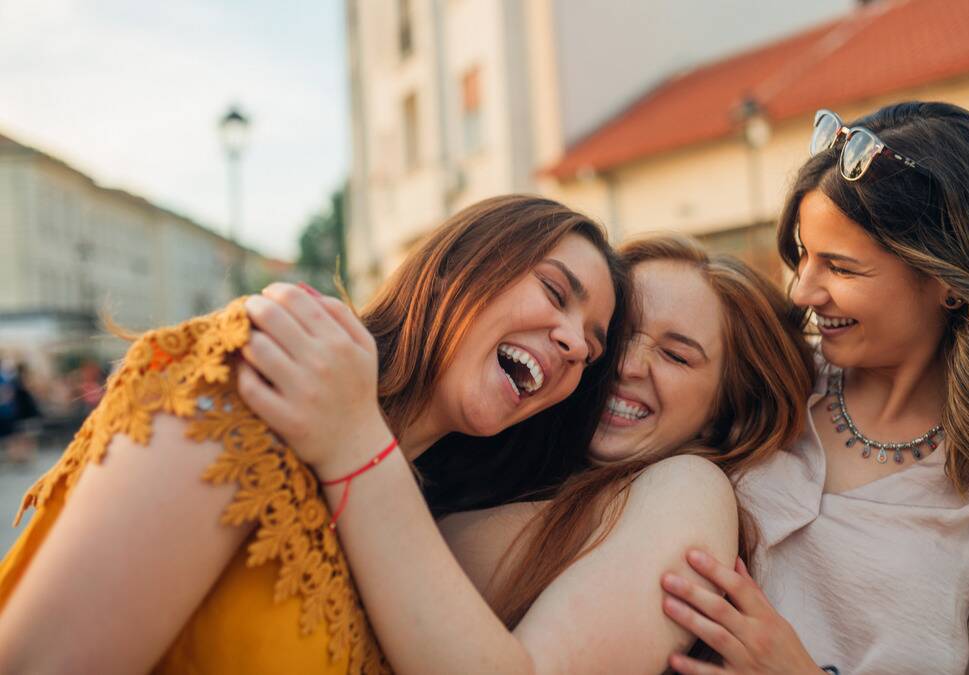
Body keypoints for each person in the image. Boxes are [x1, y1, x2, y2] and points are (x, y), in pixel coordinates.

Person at [0, 195, 629, 674]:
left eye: (592, 351)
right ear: (453, 270)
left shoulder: (433, 539)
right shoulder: (248, 380)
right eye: (553, 291)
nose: (575, 344)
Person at [659, 102, 969, 675]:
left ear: (950, 280)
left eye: (843, 269)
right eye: (802, 256)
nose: (803, 292)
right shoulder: (773, 380)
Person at [238, 234, 815, 673]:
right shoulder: (505, 443)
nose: (626, 365)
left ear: (728, 412)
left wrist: (356, 444)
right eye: (615, 337)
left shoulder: (689, 489)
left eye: (677, 355)